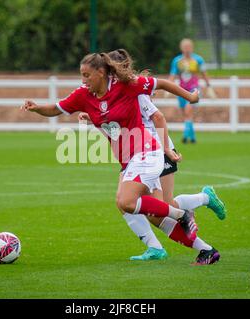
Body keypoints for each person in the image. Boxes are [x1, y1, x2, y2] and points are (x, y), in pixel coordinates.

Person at [21, 52, 201, 253]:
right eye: (82, 75)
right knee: (142, 207)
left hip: (146, 151)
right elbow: (56, 108)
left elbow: (163, 84)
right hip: (129, 158)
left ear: (101, 72)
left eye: (87, 75)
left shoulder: (127, 85)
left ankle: (182, 216)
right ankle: (199, 246)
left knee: (127, 201)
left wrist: (191, 96)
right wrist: (37, 108)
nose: (83, 80)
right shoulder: (83, 94)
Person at [79, 49, 225, 265]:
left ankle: (203, 206)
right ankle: (165, 245)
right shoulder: (110, 95)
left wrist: (166, 148)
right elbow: (116, 129)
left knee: (159, 208)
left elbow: (158, 117)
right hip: (135, 155)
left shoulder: (132, 91)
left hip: (153, 149)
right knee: (139, 205)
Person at [168, 38, 215, 144]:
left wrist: (209, 86)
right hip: (180, 90)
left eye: (189, 47)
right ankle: (192, 138)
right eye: (185, 47)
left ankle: (185, 136)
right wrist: (168, 88)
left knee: (188, 110)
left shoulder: (198, 60)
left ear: (192, 48)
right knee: (186, 114)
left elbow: (204, 74)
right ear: (181, 48)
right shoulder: (177, 61)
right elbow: (172, 74)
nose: (187, 49)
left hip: (194, 89)